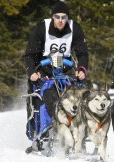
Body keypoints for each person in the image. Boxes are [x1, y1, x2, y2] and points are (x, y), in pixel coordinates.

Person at [24, 1, 89, 153]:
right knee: (47, 95)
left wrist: (82, 69)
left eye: (64, 17)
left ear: (67, 18)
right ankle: (44, 131)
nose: (60, 20)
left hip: (66, 71)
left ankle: (78, 131)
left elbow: (82, 53)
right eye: (57, 17)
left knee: (75, 97)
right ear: (52, 17)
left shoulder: (75, 28)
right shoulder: (42, 28)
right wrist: (32, 72)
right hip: (44, 71)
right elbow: (29, 54)